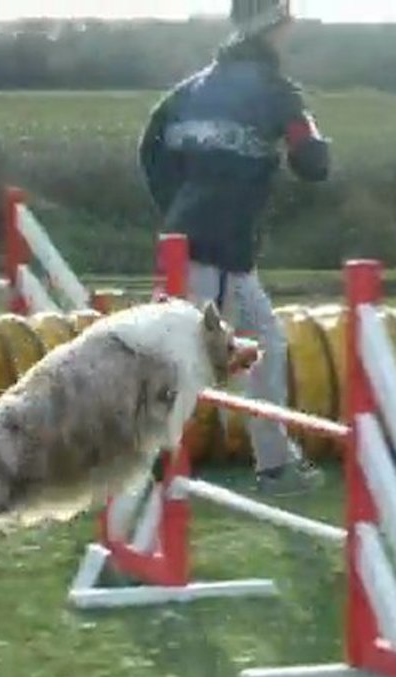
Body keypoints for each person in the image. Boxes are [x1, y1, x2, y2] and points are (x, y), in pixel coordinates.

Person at [138, 0, 331, 497]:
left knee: (263, 346)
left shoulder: (188, 91)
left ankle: (273, 465)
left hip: (196, 244)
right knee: (192, 360)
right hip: (220, 249)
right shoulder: (278, 92)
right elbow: (312, 162)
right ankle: (140, 465)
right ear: (276, 26)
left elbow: (149, 149)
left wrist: (179, 207)